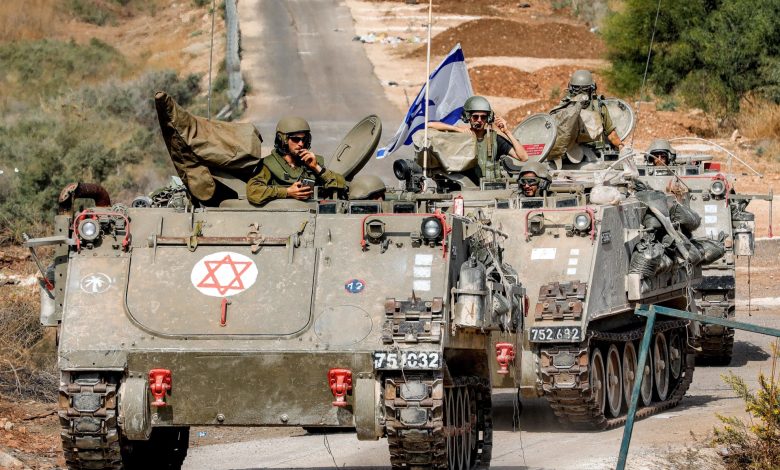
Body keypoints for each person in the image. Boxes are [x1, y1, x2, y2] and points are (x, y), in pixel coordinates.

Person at [247, 117, 346, 205]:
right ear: (282, 140)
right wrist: (287, 192)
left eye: (304, 139)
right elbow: (253, 191)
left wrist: (317, 168)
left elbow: (341, 185)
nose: (301, 144)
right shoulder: (269, 164)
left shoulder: (311, 161)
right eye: (295, 139)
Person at [427, 95, 528, 179]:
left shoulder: (495, 140)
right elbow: (429, 125)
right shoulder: (461, 137)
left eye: (483, 117)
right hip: (465, 188)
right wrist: (456, 129)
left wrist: (506, 132)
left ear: (488, 118)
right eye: (475, 117)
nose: (479, 120)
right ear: (468, 117)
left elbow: (523, 157)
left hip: (490, 189)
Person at [562, 70, 624, 151]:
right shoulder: (599, 106)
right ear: (592, 88)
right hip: (585, 153)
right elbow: (611, 135)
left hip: (581, 153)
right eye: (578, 89)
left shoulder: (564, 107)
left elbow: (611, 134)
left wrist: (620, 146)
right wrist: (621, 147)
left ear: (570, 88)